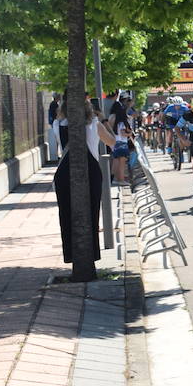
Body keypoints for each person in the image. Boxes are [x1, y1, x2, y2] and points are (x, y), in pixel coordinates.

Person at [53, 97, 118, 264]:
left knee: (66, 214)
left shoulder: (57, 124)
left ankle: (70, 254)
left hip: (63, 172)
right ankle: (92, 253)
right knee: (92, 212)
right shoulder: (94, 124)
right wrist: (103, 119)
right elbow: (112, 142)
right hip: (91, 171)